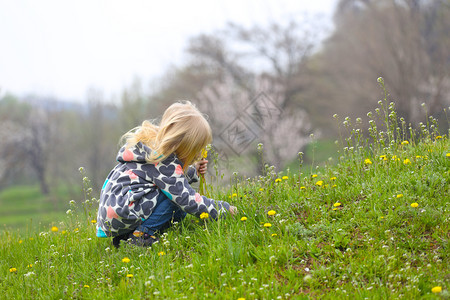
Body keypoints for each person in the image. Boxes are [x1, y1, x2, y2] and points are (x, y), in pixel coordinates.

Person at [96, 101, 237, 248]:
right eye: (195, 150)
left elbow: (164, 176)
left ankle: (125, 237)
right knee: (177, 200)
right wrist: (224, 210)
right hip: (125, 210)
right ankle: (140, 236)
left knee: (178, 211)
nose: (198, 154)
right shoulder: (164, 160)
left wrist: (192, 170)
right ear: (184, 146)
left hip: (115, 213)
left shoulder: (151, 147)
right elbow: (187, 199)